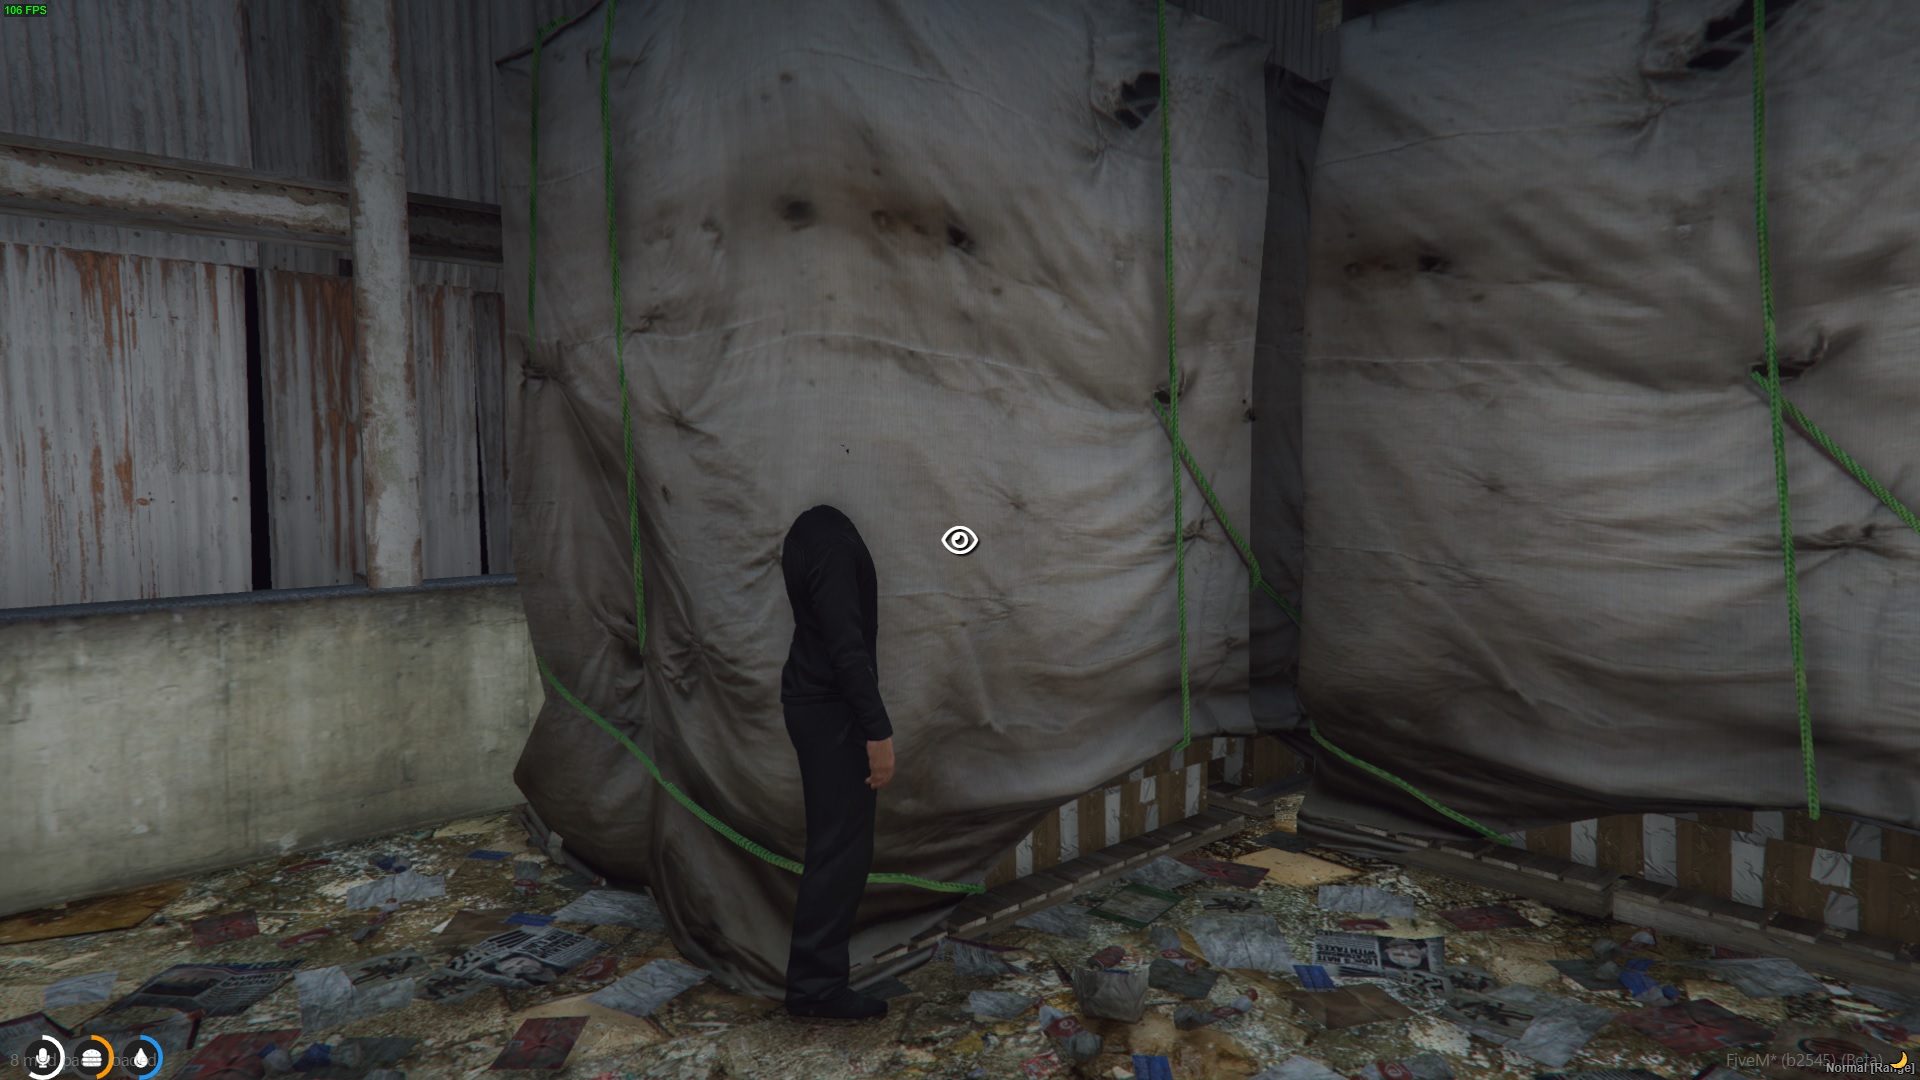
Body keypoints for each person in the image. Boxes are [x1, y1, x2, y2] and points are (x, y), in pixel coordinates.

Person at [778, 505, 896, 1023]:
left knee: (835, 849)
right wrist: (878, 731)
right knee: (840, 853)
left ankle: (816, 983)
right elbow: (845, 645)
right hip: (833, 712)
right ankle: (817, 989)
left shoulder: (813, 529)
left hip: (818, 704)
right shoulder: (830, 539)